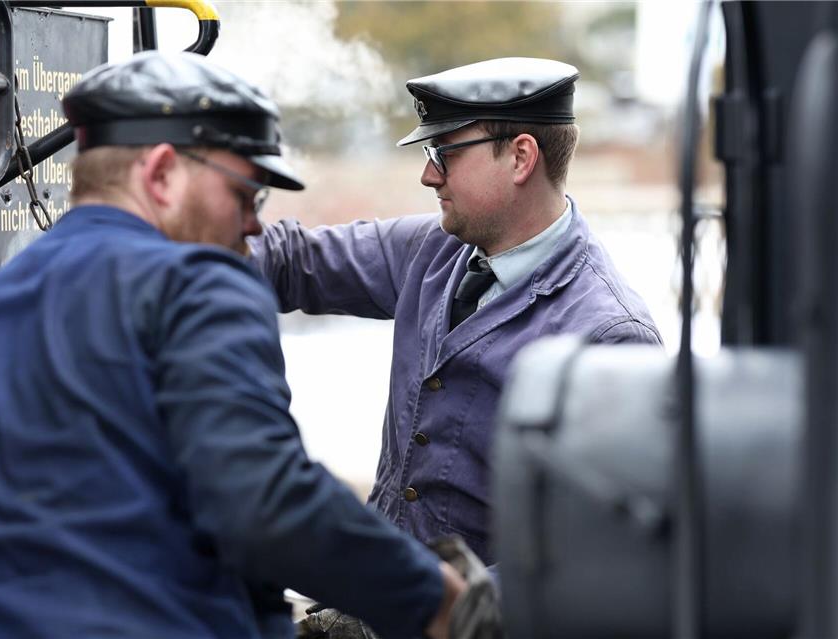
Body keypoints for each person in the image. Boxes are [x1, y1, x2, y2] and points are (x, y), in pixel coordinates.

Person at [0, 51, 464, 639]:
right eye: (245, 193)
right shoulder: (197, 284)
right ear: (162, 173)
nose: (252, 225)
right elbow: (266, 506)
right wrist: (437, 599)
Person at [250, 57, 662, 566]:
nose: (428, 175)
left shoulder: (611, 340)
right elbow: (294, 262)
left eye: (443, 153)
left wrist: (438, 606)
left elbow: (595, 562)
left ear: (520, 158)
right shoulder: (433, 249)